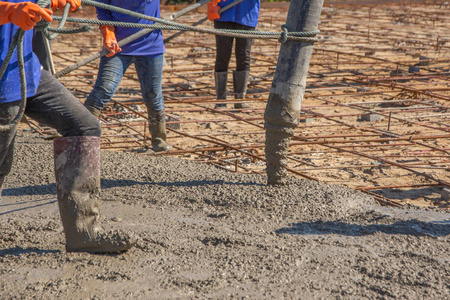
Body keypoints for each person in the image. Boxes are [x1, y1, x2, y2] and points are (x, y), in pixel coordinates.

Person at [0, 0, 134, 254]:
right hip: (3, 79)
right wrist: (8, 11)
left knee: (85, 127)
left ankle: (83, 233)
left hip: (29, 71)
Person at [84, 0, 173, 152]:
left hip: (151, 44)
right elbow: (102, 7)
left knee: (152, 94)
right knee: (104, 89)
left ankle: (159, 141)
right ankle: (79, 134)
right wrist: (107, 31)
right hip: (118, 44)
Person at [208, 0, 260, 109]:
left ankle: (240, 99)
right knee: (222, 55)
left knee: (243, 55)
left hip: (246, 13)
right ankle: (220, 99)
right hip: (223, 12)